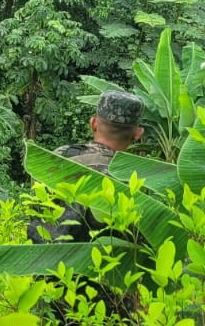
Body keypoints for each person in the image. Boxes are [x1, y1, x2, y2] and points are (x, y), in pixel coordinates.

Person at [29, 89, 145, 244]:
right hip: (104, 265)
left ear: (93, 123)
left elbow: (34, 208)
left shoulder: (61, 156)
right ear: (138, 133)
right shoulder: (136, 180)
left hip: (45, 261)